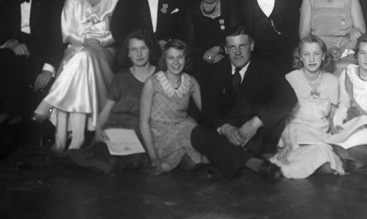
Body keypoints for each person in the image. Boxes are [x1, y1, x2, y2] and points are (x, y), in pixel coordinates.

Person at [33, 0, 120, 153]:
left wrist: (100, 42)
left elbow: (116, 33)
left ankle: (54, 117)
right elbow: (67, 33)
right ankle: (74, 139)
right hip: (75, 51)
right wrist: (84, 42)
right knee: (81, 61)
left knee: (84, 59)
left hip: (103, 53)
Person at [191, 26, 297, 181]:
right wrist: (226, 129)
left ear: (251, 46)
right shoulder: (214, 72)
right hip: (229, 135)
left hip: (256, 134)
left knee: (275, 122)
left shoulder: (266, 68)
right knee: (197, 135)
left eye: (242, 46)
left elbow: (289, 98)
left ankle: (225, 163)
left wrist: (255, 124)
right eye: (232, 48)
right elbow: (209, 112)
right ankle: (255, 164)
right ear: (225, 50)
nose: (237, 52)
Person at [69, 31, 157, 174]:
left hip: (143, 131)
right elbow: (107, 109)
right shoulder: (121, 78)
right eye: (134, 50)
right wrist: (98, 128)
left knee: (130, 159)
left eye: (143, 48)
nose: (139, 54)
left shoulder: (159, 76)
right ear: (128, 54)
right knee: (106, 150)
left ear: (150, 50)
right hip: (116, 127)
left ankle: (98, 162)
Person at [0, 0, 62, 127]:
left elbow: (57, 38)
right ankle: (10, 110)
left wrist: (48, 70)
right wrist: (13, 44)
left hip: (41, 51)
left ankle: (15, 111)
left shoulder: (51, 2)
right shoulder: (6, 6)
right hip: (17, 50)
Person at [270, 36, 346, 178]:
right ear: (300, 56)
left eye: (316, 54)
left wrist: (336, 131)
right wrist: (287, 143)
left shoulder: (333, 81)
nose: (311, 59)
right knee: (322, 161)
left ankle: (284, 168)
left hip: (319, 135)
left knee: (327, 164)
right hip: (294, 135)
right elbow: (282, 118)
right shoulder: (290, 79)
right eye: (306, 54)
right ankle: (286, 164)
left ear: (323, 56)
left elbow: (332, 117)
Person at [140, 39, 205, 173]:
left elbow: (207, 112)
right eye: (171, 58)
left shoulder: (191, 82)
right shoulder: (152, 83)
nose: (176, 62)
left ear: (186, 59)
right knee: (191, 131)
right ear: (165, 59)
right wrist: (153, 157)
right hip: (159, 138)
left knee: (197, 160)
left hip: (183, 130)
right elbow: (143, 122)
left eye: (180, 57)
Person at [334, 33, 367, 170]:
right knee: (347, 144)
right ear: (356, 55)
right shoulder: (348, 75)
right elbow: (343, 107)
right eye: (362, 53)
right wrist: (338, 126)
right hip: (357, 128)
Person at [183, 0, 239, 74]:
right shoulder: (191, 11)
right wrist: (207, 56)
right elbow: (189, 43)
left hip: (227, 59)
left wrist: (217, 49)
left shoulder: (230, 7)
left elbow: (237, 35)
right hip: (200, 62)